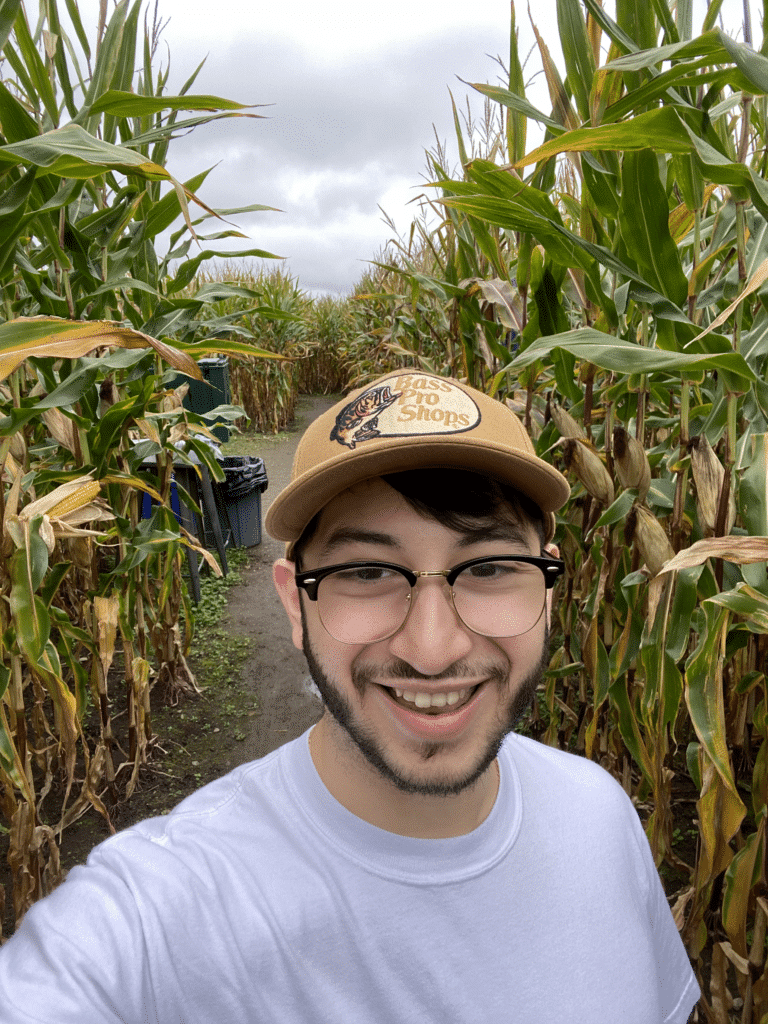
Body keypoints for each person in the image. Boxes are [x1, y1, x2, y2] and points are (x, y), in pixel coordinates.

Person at [0, 369, 700, 1022]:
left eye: (489, 566)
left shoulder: (601, 815)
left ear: (551, 587)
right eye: (367, 571)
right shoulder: (163, 911)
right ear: (295, 606)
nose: (433, 649)